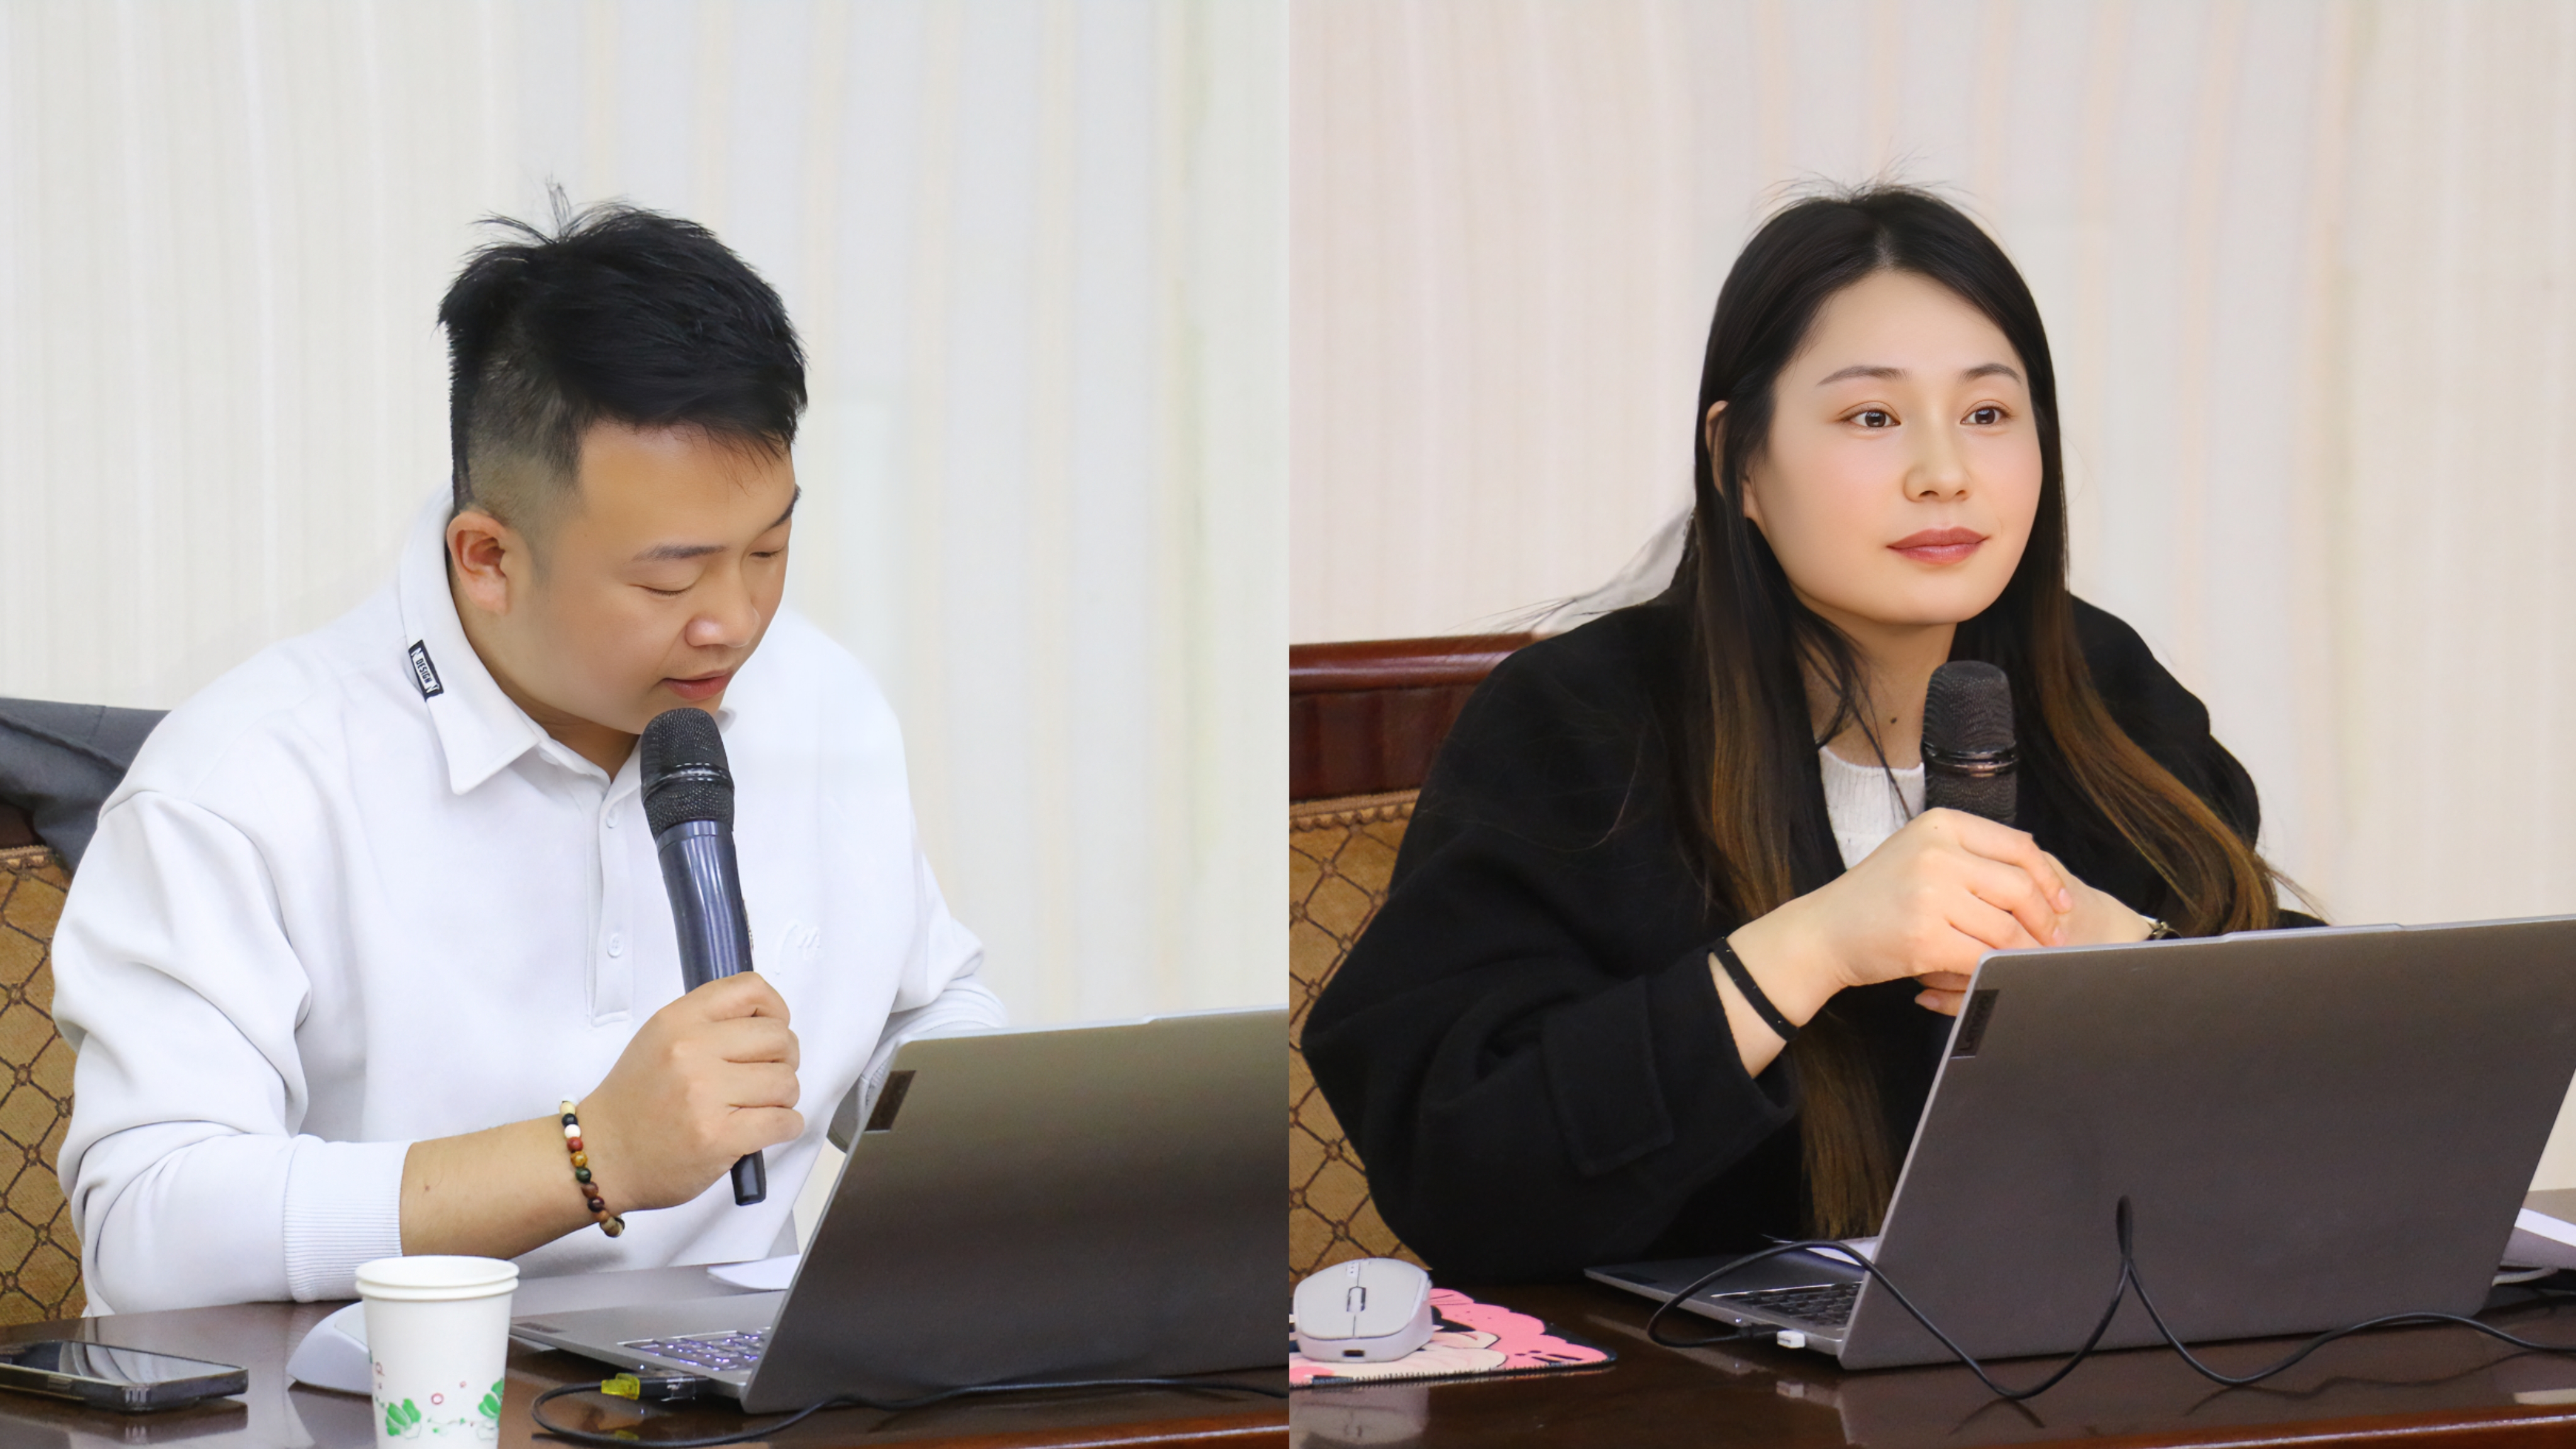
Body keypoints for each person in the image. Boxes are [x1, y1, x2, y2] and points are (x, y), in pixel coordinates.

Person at [1302, 185, 2316, 1284]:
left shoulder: (2106, 689)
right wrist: (1815, 947)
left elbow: (2334, 1097)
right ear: (1739, 458)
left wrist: (2127, 959)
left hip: (2079, 1347)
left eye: (1988, 414)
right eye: (1872, 418)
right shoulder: (1579, 725)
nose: (1945, 473)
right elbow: (1458, 1173)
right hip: (1691, 1367)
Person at [53, 201, 1002, 1313]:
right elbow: (149, 1229)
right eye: (669, 579)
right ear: (489, 558)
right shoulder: (243, 783)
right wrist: (591, 1155)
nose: (736, 623)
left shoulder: (822, 703)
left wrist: (1010, 1147)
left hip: (734, 1380)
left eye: (769, 550)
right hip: (378, 1391)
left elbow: (915, 1009)